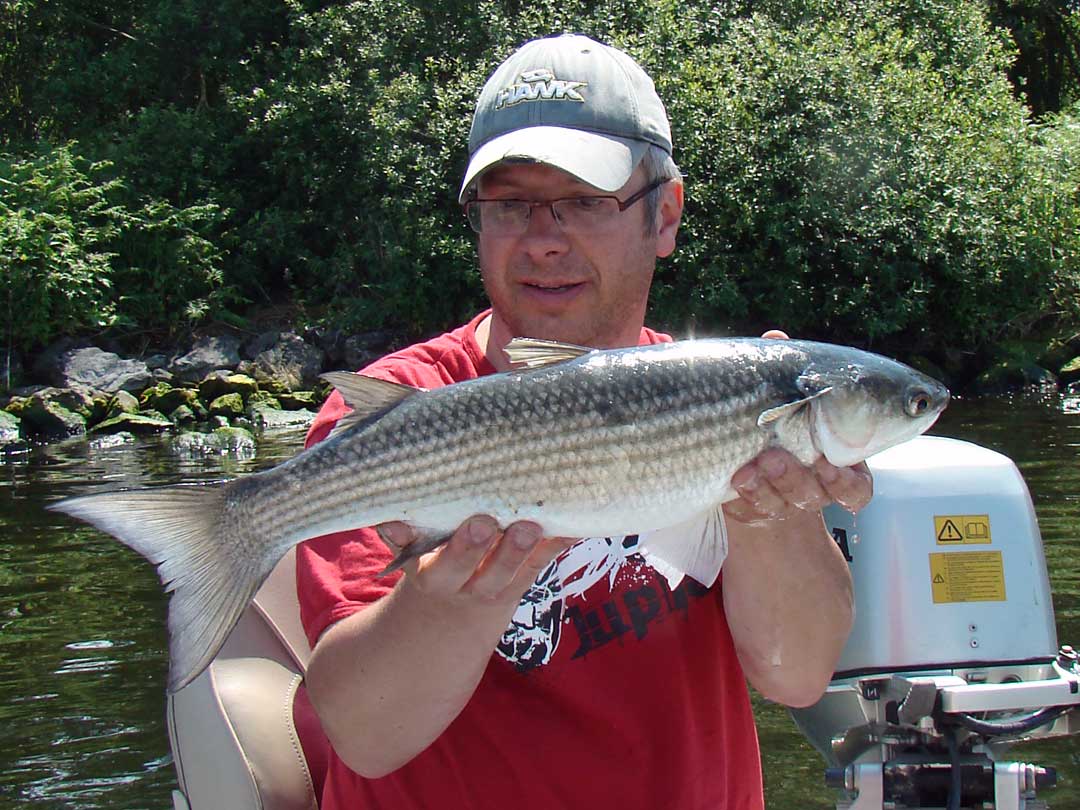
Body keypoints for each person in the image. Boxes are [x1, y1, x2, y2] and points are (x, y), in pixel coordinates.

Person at [296, 33, 869, 809]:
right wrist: (458, 591)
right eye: (509, 205)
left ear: (665, 215)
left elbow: (796, 675)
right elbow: (365, 736)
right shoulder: (401, 410)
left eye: (587, 201)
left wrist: (776, 510)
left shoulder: (724, 400)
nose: (542, 239)